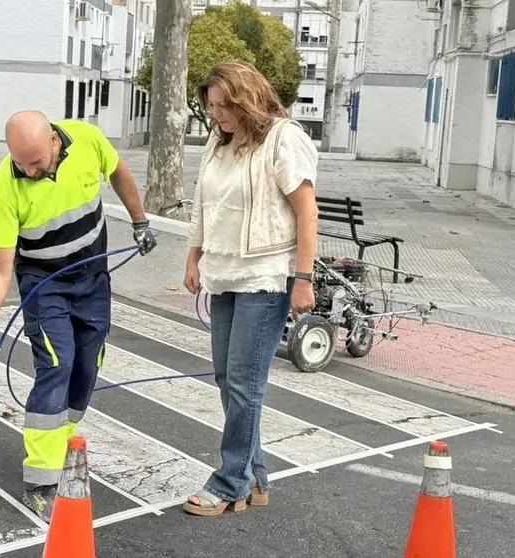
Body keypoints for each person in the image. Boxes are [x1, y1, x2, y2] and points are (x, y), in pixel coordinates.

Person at [0, 110, 157, 521]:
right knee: (57, 364)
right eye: (20, 163)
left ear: (53, 141)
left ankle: (62, 446)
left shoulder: (87, 140)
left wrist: (140, 221)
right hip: (44, 283)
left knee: (86, 366)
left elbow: (119, 173)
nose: (28, 172)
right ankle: (41, 480)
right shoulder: (6, 186)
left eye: (36, 162)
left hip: (93, 275)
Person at [181, 60, 320, 516]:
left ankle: (229, 481)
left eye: (224, 105)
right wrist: (193, 255)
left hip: (266, 275)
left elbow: (306, 212)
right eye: (212, 106)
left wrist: (302, 279)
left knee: (244, 381)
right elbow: (203, 203)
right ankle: (255, 476)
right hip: (225, 273)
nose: (216, 113)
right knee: (227, 377)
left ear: (247, 99)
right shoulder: (219, 144)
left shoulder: (284, 139)